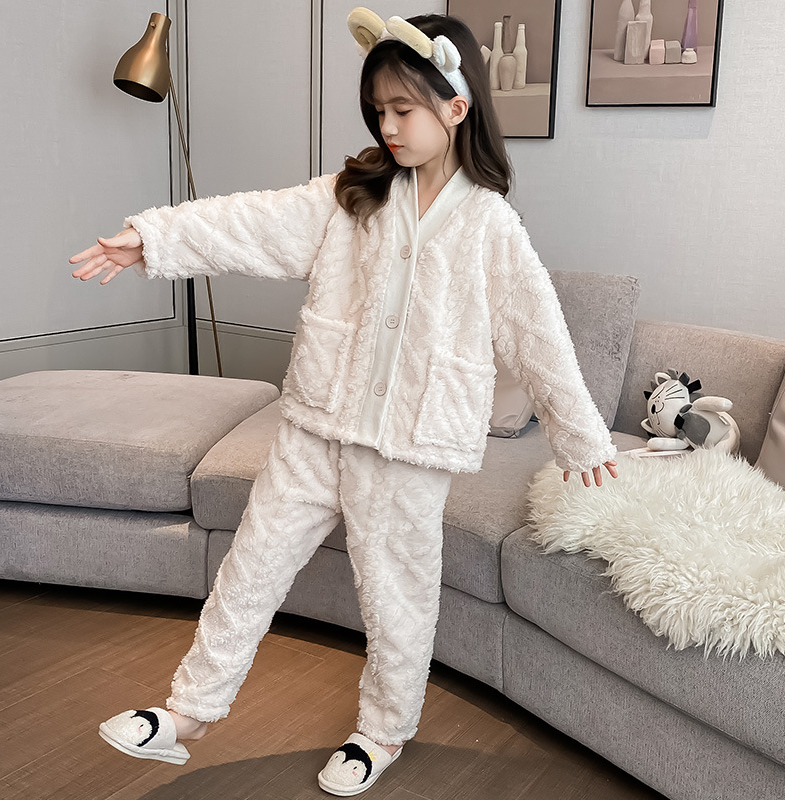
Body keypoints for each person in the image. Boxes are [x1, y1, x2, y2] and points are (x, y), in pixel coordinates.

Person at [69, 7, 618, 795]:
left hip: (408, 447)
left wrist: (581, 437)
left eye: (402, 109)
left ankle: (382, 733)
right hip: (317, 425)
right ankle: (188, 712)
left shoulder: (490, 227)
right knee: (251, 565)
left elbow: (539, 334)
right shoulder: (350, 196)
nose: (386, 126)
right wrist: (153, 239)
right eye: (378, 110)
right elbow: (250, 221)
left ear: (455, 108)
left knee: (398, 600)